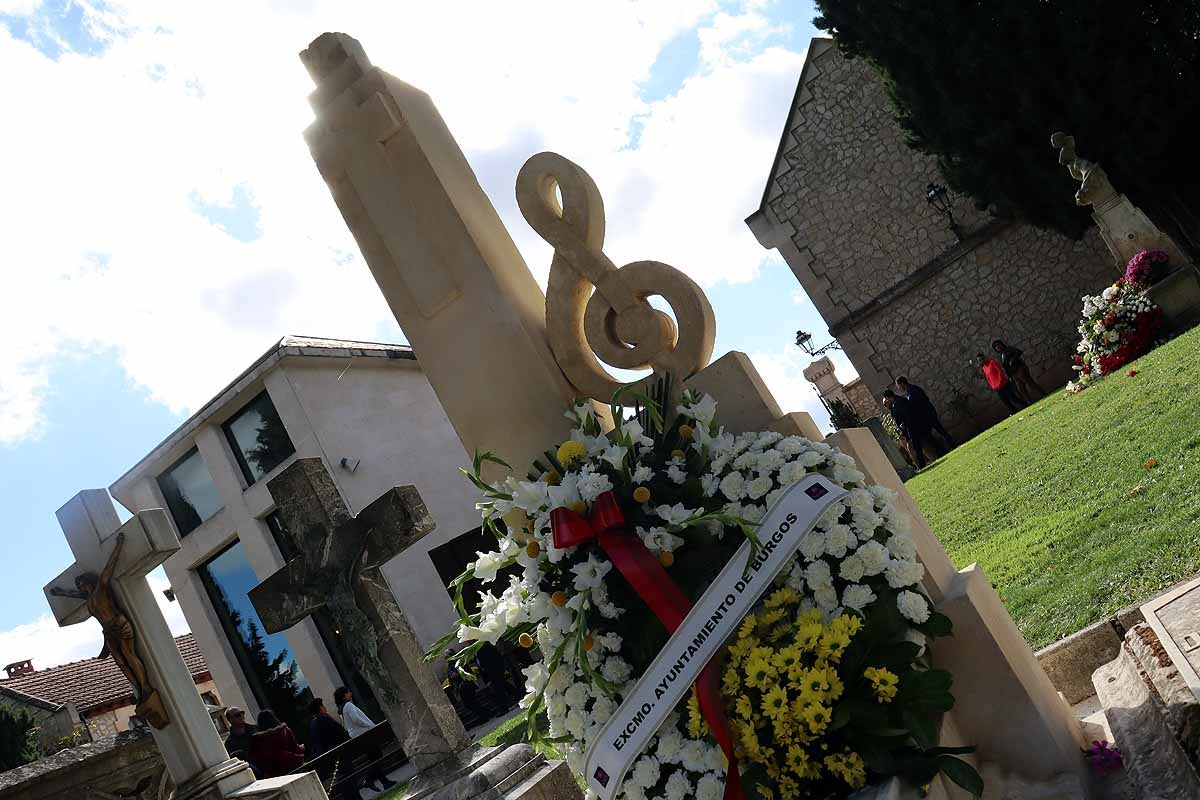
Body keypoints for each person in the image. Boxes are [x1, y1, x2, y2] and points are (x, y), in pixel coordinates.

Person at [334, 687, 397, 793]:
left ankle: (384, 782)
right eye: (348, 692)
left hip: (357, 736)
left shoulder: (342, 709)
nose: (351, 693)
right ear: (344, 695)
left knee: (373, 758)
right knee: (378, 755)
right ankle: (368, 779)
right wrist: (368, 725)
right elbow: (355, 719)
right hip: (364, 734)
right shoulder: (348, 705)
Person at [308, 698, 359, 800]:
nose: (324, 707)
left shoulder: (313, 724)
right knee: (349, 777)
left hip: (330, 755)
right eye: (322, 705)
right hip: (339, 752)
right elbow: (339, 732)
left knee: (344, 778)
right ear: (319, 708)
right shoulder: (324, 719)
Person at [895, 376, 955, 450]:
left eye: (899, 386)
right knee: (937, 431)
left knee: (936, 431)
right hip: (927, 413)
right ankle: (949, 446)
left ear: (902, 383)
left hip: (927, 414)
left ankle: (949, 446)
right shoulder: (910, 390)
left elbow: (917, 404)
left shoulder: (912, 390)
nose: (899, 388)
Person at [247, 709, 305, 779]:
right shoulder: (285, 731)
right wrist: (302, 748)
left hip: (273, 774)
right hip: (292, 766)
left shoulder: (258, 740)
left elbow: (257, 759)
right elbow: (295, 748)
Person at [881, 389, 928, 469]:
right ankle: (920, 464)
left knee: (916, 446)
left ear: (888, 398)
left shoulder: (898, 402)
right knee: (915, 446)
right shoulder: (894, 406)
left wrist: (904, 423)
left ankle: (921, 464)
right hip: (907, 429)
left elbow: (907, 414)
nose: (886, 406)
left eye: (886, 404)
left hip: (911, 427)